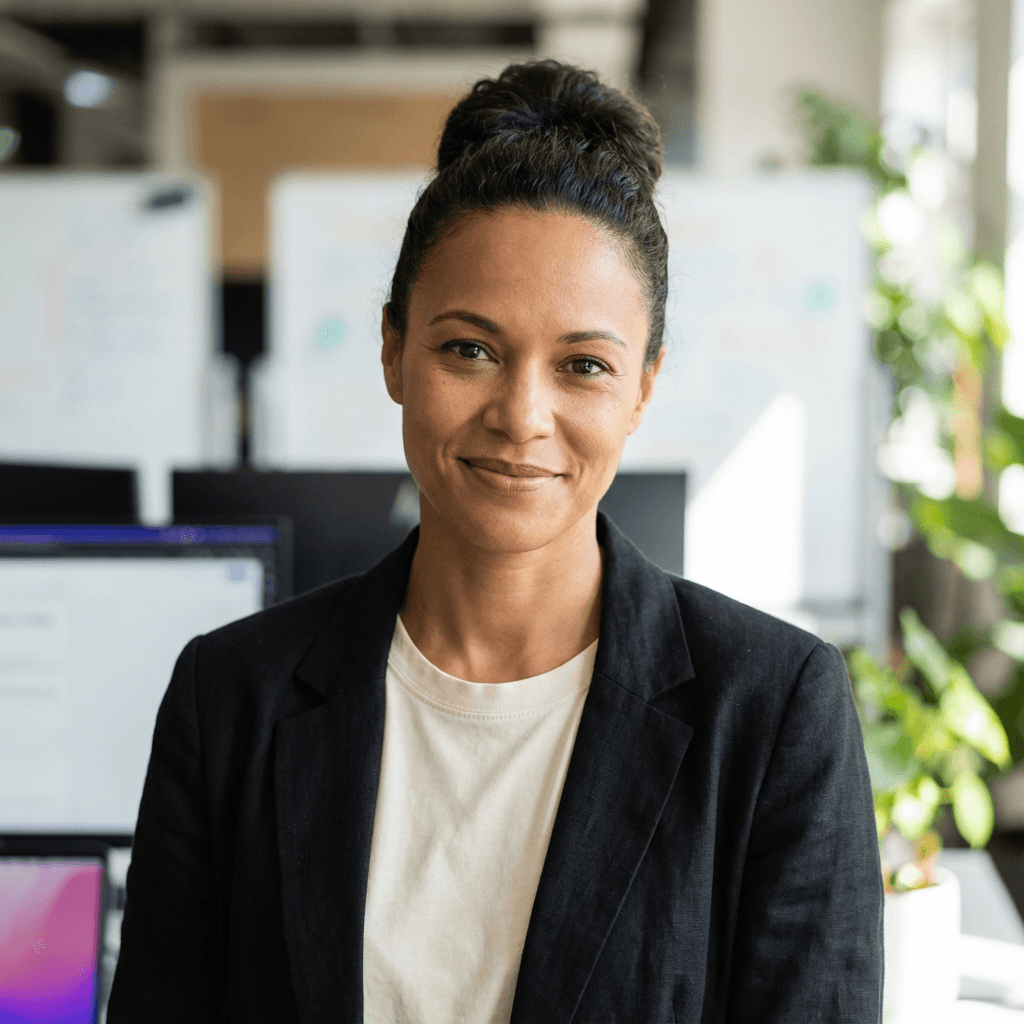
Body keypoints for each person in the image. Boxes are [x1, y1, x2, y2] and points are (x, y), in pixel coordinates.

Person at [108, 60, 883, 1023]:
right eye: (469, 349)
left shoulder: (772, 711)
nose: (521, 415)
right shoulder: (231, 697)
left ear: (643, 388)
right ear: (394, 351)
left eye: (583, 366)